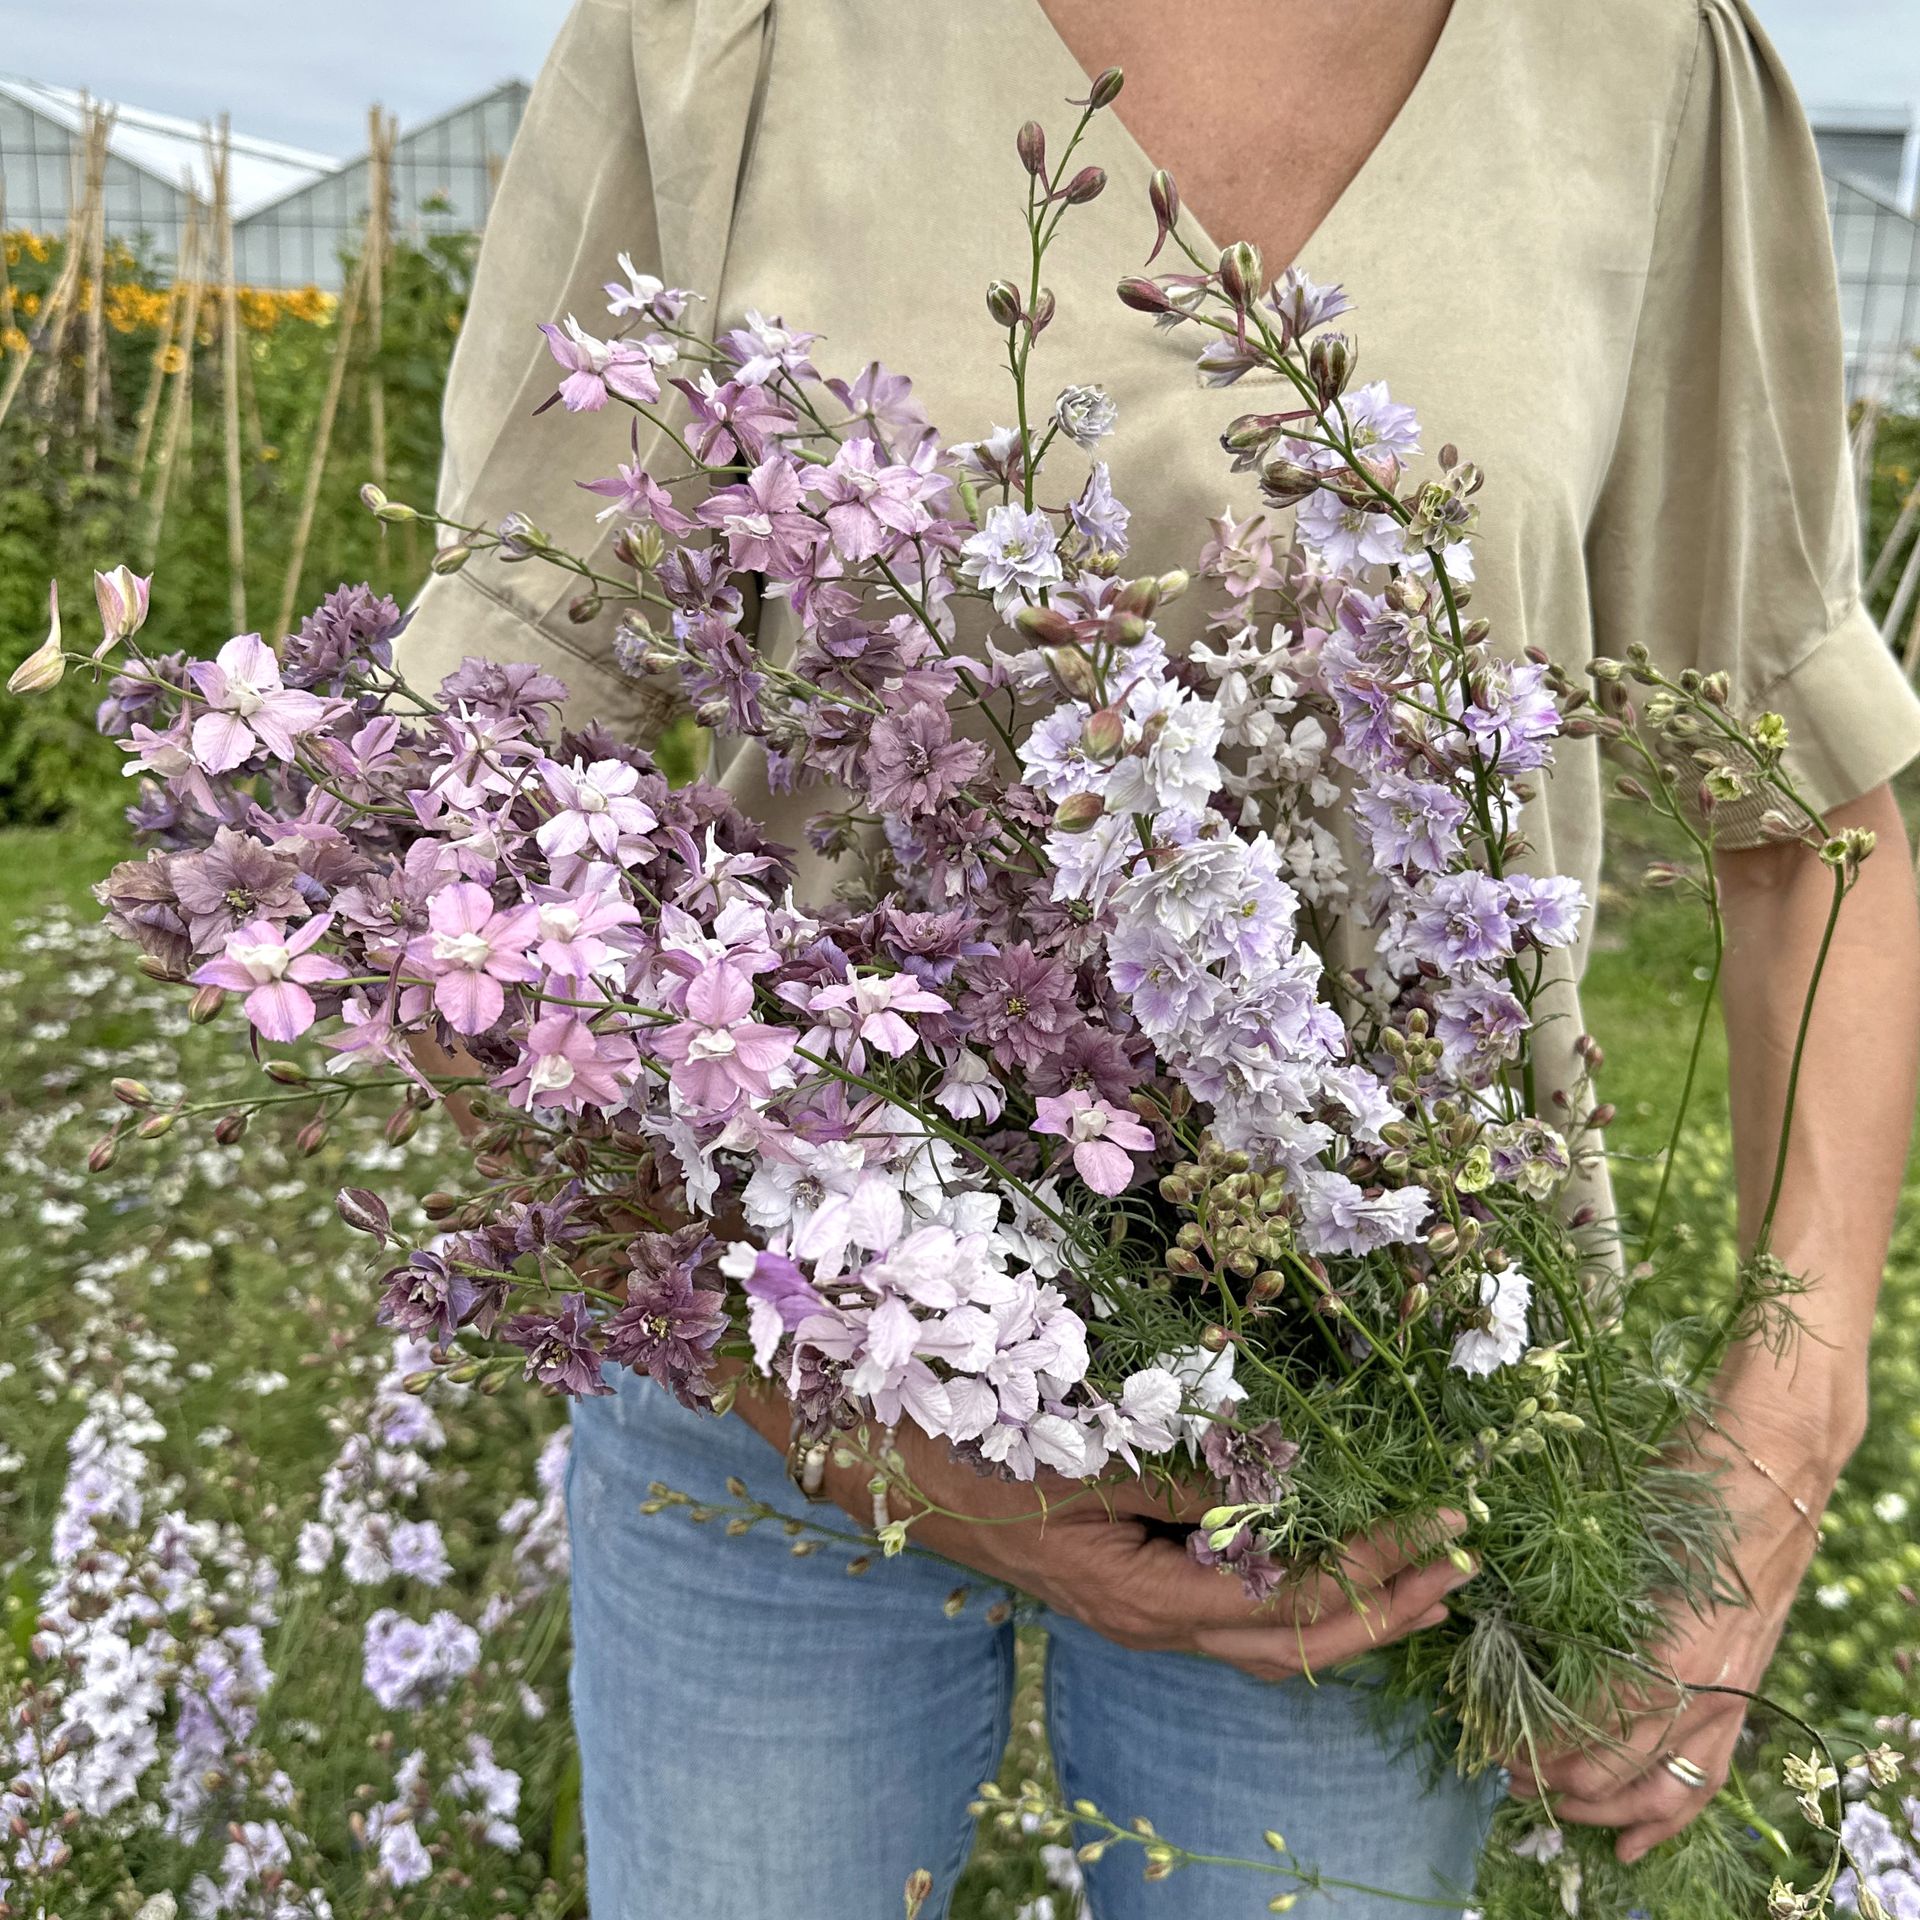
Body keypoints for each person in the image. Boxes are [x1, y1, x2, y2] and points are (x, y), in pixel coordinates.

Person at [393, 1, 1920, 1912]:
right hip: (778, 1351)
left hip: (1374, 1421)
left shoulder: (1638, 57)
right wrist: (845, 1413)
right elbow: (462, 796)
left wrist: (1797, 1400)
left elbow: (1807, 799)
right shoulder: (733, 36)